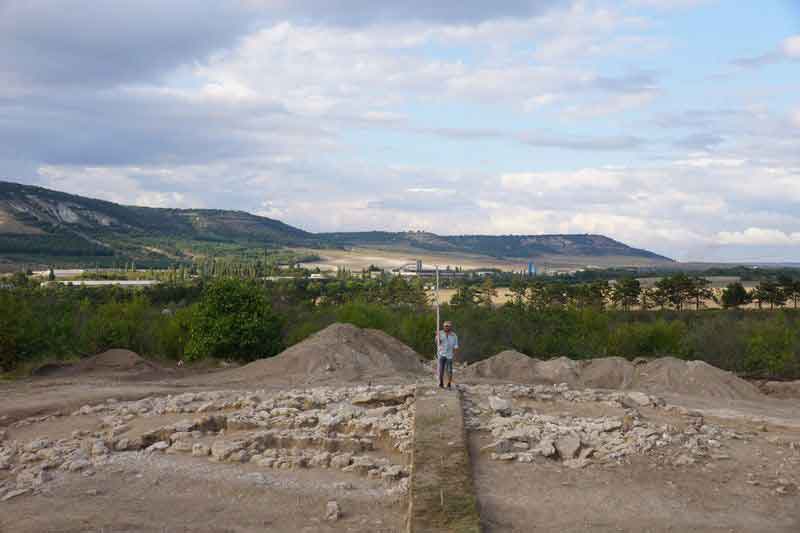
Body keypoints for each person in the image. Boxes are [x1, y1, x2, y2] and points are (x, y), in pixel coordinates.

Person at [435, 320, 459, 388]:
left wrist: (455, 355)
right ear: (443, 326)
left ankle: (449, 384)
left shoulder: (454, 335)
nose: (446, 327)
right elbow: (437, 343)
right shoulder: (440, 333)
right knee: (441, 370)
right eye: (445, 326)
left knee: (449, 370)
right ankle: (441, 383)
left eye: (448, 326)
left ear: (450, 327)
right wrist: (437, 336)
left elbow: (456, 346)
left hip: (449, 355)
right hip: (441, 354)